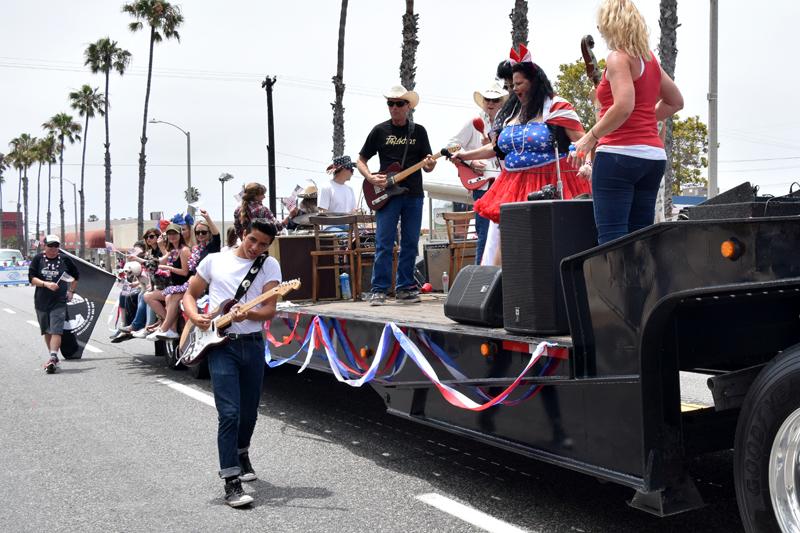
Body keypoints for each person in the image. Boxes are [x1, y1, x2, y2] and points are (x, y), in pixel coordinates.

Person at [454, 46, 592, 266]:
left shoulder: (557, 106)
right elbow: (496, 148)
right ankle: (502, 293)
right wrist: (465, 155)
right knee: (508, 240)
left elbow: (583, 140)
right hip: (513, 183)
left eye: (519, 84)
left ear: (534, 81)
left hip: (548, 182)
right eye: (512, 85)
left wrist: (586, 162)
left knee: (546, 243)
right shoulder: (511, 112)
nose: (514, 89)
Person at [182, 218, 281, 508]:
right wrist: (195, 316)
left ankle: (241, 451)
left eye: (263, 244)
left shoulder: (269, 266)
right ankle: (231, 481)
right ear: (242, 234)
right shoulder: (214, 261)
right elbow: (190, 293)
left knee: (249, 413)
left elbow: (269, 310)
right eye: (252, 240)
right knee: (229, 413)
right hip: (220, 347)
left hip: (252, 345)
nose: (255, 247)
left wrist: (247, 315)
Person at [570, 0, 683, 244]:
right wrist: (643, 121)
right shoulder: (650, 60)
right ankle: (641, 283)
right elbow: (675, 102)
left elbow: (623, 105)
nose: (599, 30)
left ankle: (617, 284)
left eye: (601, 25)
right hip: (652, 158)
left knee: (613, 241)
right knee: (638, 239)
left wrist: (590, 138)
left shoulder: (618, 58)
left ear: (611, 24)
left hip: (619, 156)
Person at [356, 85, 436, 306]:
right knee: (384, 242)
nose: (394, 108)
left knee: (410, 242)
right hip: (388, 194)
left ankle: (405, 287)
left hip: (413, 193)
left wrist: (430, 164)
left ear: (408, 107)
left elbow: (428, 164)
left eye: (399, 103)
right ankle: (379, 289)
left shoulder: (419, 131)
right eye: (390, 103)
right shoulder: (379, 130)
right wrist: (371, 178)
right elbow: (361, 159)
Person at [448, 81, 508, 264]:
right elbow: (451, 145)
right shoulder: (475, 122)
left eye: (495, 100)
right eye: (487, 99)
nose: (490, 103)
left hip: (505, 183)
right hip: (484, 184)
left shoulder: (507, 122)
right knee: (484, 234)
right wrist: (471, 161)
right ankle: (482, 279)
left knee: (505, 233)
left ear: (501, 102)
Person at [28, 234, 79, 372]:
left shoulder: (65, 259)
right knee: (47, 331)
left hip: (59, 301)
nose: (53, 248)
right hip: (41, 301)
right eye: (50, 245)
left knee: (57, 329)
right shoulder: (38, 259)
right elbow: (31, 278)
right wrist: (45, 284)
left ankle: (53, 357)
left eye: (56, 246)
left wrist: (71, 291)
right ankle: (53, 355)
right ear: (44, 246)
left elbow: (76, 276)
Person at [144, 223, 191, 340]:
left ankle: (165, 327)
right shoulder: (172, 251)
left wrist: (169, 268)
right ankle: (168, 326)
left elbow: (185, 272)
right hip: (174, 286)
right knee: (148, 296)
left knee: (170, 297)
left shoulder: (184, 250)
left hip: (186, 286)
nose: (172, 236)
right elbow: (159, 262)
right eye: (169, 234)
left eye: (174, 233)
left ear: (180, 235)